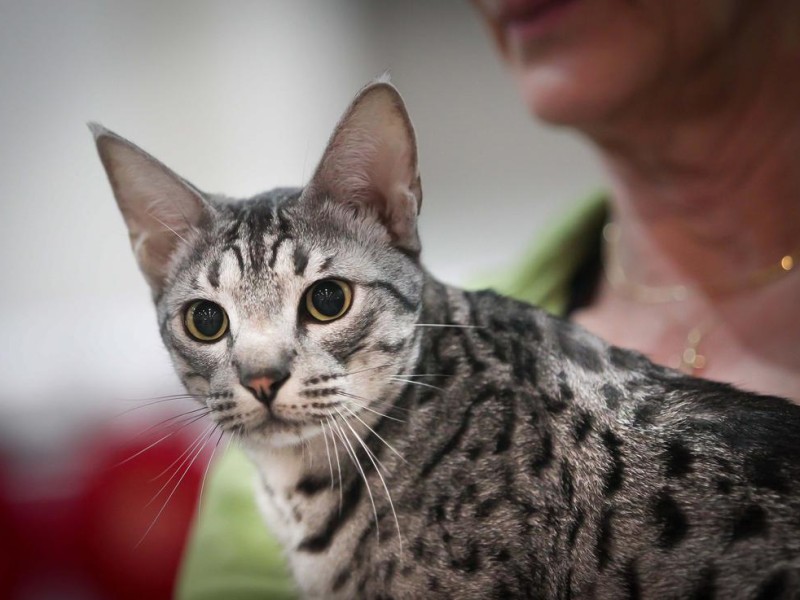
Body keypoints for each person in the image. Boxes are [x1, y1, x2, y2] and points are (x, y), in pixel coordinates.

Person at [177, 1, 800, 596]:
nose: (260, 375)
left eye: (324, 301)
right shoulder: (264, 461)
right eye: (208, 320)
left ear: (388, 210)